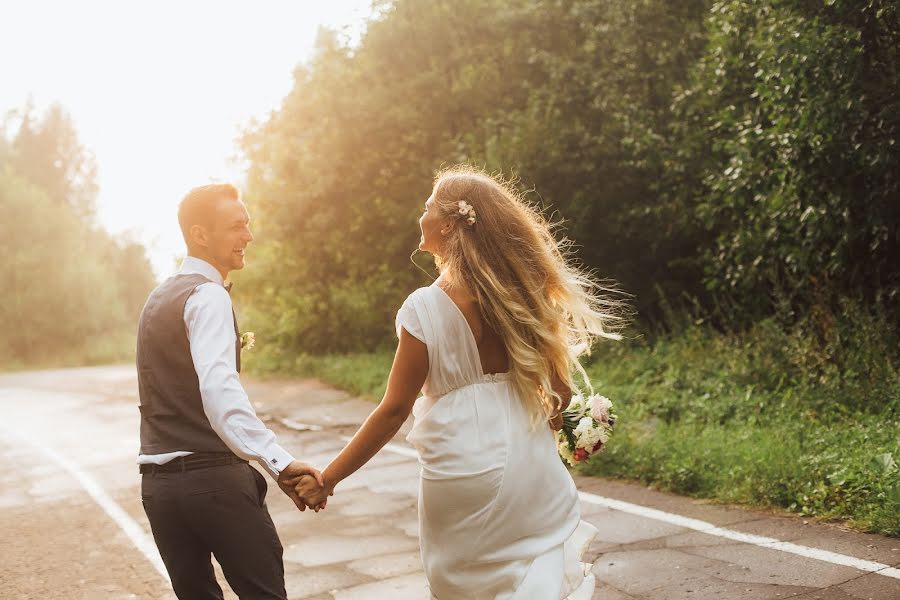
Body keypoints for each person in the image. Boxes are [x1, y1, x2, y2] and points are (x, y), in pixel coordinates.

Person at [296, 166, 624, 598]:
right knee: (533, 573)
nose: (421, 215)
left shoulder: (424, 308)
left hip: (460, 471)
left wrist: (328, 478)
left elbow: (393, 411)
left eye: (428, 206)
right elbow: (559, 395)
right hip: (530, 467)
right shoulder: (522, 297)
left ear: (449, 223)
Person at [136, 183, 321, 599]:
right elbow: (221, 395)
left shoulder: (157, 298)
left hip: (159, 490)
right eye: (237, 227)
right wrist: (280, 463)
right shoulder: (207, 296)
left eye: (248, 225)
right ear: (201, 235)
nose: (248, 237)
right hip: (213, 482)